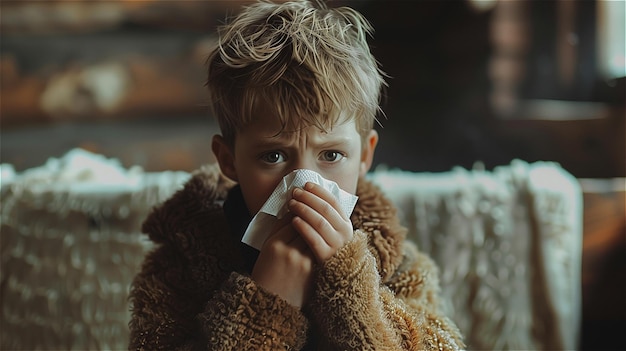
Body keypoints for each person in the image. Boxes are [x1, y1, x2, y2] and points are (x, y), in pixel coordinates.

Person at [128, 0, 464, 350]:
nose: (303, 184)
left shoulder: (395, 260)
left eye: (331, 155)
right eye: (273, 156)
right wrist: (268, 304)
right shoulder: (180, 265)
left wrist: (350, 290)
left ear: (365, 155)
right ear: (228, 161)